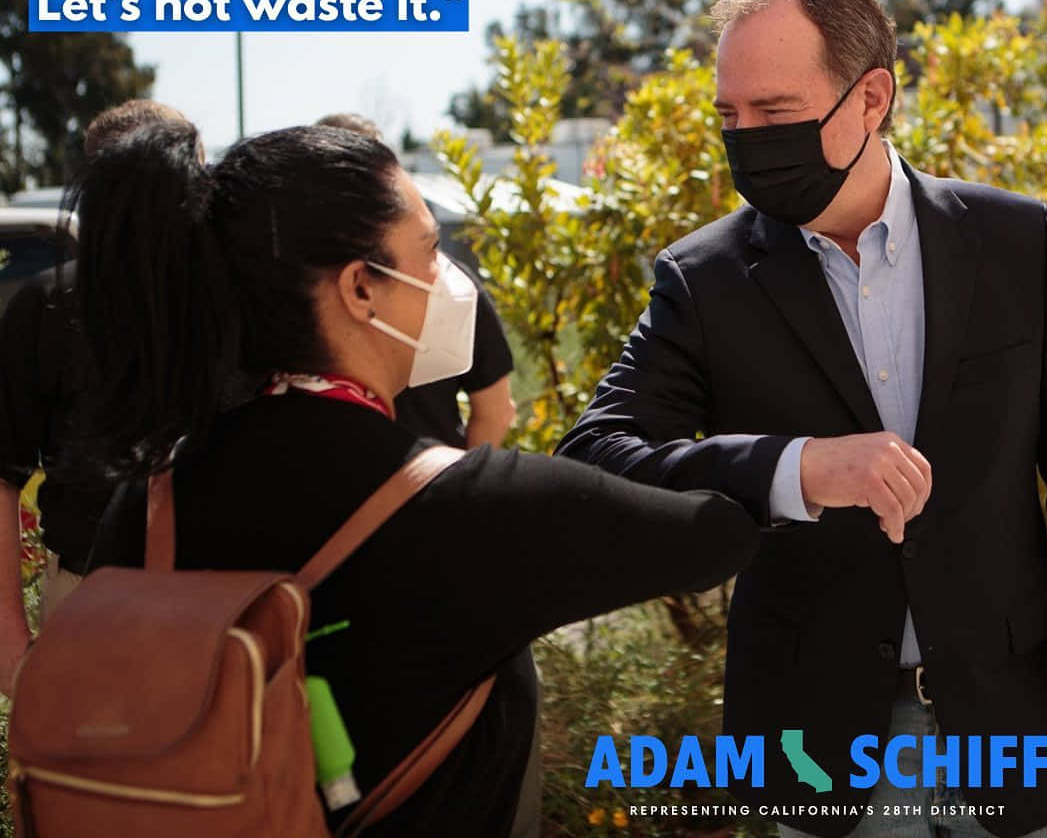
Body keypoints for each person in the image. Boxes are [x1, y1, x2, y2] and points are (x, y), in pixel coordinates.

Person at [72, 122, 762, 837]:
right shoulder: (472, 510)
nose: (449, 277)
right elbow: (716, 535)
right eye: (430, 251)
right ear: (361, 287)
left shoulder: (148, 503)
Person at [555, 0, 1047, 838]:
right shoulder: (705, 279)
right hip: (824, 750)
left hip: (1021, 720)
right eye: (731, 115)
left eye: (776, 112)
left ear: (871, 99)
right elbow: (597, 455)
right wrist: (794, 469)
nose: (747, 138)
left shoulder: (1012, 240)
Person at [0, 100, 197, 694]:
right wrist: (9, 640)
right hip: (88, 594)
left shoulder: (231, 297)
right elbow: (2, 471)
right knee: (73, 785)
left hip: (219, 595)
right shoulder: (48, 305)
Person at [315, 112, 517, 449]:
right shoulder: (451, 284)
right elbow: (497, 411)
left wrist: (459, 486)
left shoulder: (451, 286)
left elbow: (496, 409)